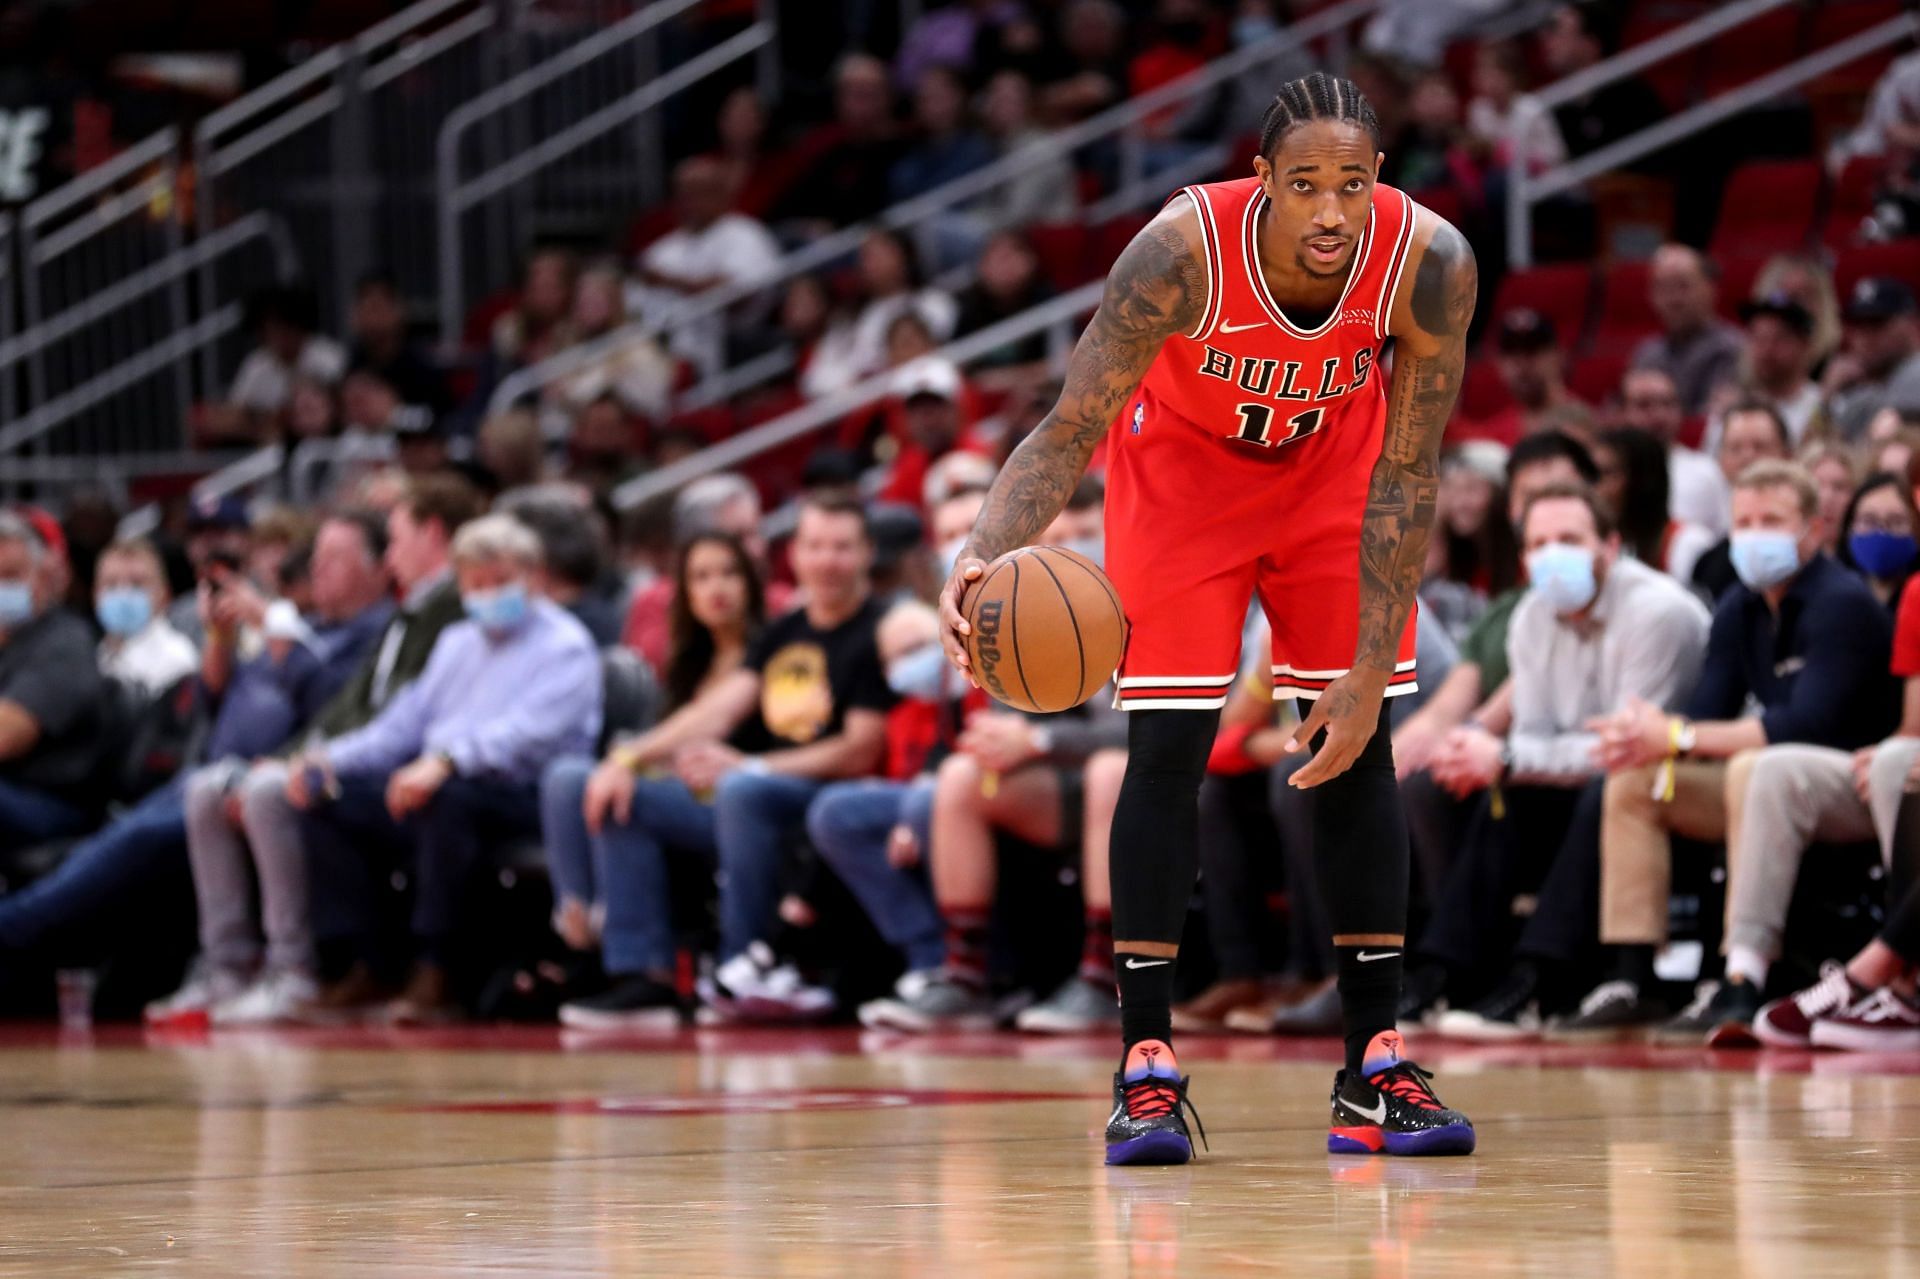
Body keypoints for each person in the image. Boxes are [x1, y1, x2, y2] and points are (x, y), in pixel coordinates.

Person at [938, 73, 1479, 1164]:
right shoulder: (1179, 251)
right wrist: (982, 547)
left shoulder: (1429, 264)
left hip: (1338, 479)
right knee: (1166, 746)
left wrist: (1372, 667)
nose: (1333, 213)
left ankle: (1375, 1062)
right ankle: (1146, 1067)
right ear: (1263, 181)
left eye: (1355, 186)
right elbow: (1071, 421)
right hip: (1182, 479)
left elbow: (1412, 472)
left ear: (1380, 180)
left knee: (1356, 749)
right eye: (1308, 186)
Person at [1558, 461, 1900, 1038]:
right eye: (1743, 521)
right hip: (1766, 781)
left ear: (1814, 530)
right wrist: (1647, 733)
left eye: (1772, 520)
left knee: (1755, 766)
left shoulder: (1843, 603)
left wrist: (1676, 736)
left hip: (1857, 781)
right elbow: (1707, 714)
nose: (1754, 533)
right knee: (1636, 781)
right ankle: (1633, 976)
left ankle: (1740, 975)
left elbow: (1804, 724)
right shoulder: (1740, 607)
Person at [550, 497, 891, 1028]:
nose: (828, 560)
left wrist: (753, 768)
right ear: (793, 556)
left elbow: (860, 750)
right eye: (815, 546)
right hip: (757, 792)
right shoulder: (788, 630)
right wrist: (631, 756)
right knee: (626, 794)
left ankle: (743, 963)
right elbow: (719, 708)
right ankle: (643, 974)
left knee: (741, 792)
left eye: (842, 547)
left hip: (830, 794)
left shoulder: (880, 627)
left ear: (868, 553)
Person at [155, 475, 480, 1025]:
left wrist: (297, 764)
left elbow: (393, 717)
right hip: (372, 757)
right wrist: (290, 758)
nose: (395, 552)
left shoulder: (444, 607)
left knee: (289, 790)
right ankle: (227, 966)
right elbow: (348, 710)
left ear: (431, 535)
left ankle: (296, 969)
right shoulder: (413, 609)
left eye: (399, 539)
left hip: (415, 767)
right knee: (213, 786)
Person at [1403, 482, 1709, 1022]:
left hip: (1668, 786)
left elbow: (1628, 749)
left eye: (1569, 538)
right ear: (1523, 558)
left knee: (1593, 790)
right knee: (1502, 797)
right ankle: (1448, 969)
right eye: (1539, 543)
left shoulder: (1657, 613)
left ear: (1610, 547)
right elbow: (1536, 737)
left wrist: (1510, 757)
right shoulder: (1530, 618)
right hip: (1584, 782)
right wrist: (1503, 759)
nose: (1552, 555)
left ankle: (1541, 976)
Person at [293, 514, 602, 1024]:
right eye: (475, 583)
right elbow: (399, 727)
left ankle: (437, 970)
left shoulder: (567, 646)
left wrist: (444, 761)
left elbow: (526, 735)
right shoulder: (456, 642)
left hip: (527, 795)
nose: (486, 593)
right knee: (327, 800)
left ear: (535, 576)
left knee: (446, 798)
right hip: (439, 782)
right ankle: (369, 964)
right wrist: (326, 758)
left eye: (500, 581)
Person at [546, 531, 765, 965]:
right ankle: (578, 916)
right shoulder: (687, 663)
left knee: (624, 799)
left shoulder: (768, 649)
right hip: (677, 788)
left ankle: (634, 957)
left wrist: (628, 761)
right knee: (567, 776)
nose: (716, 588)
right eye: (701, 577)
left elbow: (713, 722)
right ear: (686, 592)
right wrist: (630, 762)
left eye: (728, 573)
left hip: (729, 797)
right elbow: (662, 739)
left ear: (750, 583)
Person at [0, 512, 105, 851]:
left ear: (42, 576)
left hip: (53, 804)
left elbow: (5, 737)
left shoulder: (64, 641)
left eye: (11, 576)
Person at [1689, 403, 1794, 600]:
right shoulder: (1707, 564)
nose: (1747, 457)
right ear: (1721, 460)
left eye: (1760, 446)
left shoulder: (1803, 545)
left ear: (1787, 455)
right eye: (1735, 448)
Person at [1619, 365, 1729, 538]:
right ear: (1622, 412)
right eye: (1644, 405)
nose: (1658, 415)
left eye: (1668, 403)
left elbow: (1724, 535)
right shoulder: (1611, 473)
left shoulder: (1706, 470)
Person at [93, 538, 198, 698]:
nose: (123, 594)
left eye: (137, 584)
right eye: (111, 584)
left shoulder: (177, 657)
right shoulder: (94, 657)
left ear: (164, 595)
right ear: (95, 595)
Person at [1827, 278, 1920, 441]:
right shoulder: (1859, 392)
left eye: (1877, 323)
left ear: (1912, 323)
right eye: (1858, 324)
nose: (1865, 336)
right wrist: (1826, 395)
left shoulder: (1915, 373)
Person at [1838, 473, 1920, 608]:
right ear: (1849, 526)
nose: (1881, 532)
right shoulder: (1829, 598)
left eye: (1896, 521)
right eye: (1869, 520)